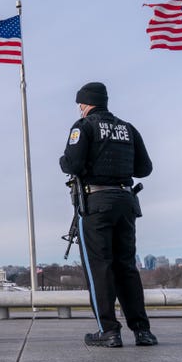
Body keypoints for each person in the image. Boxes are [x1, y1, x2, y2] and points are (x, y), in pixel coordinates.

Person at [59, 82, 158, 348]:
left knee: (99, 267)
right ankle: (142, 331)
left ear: (86, 103)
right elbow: (144, 168)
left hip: (96, 202)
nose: (79, 108)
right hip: (126, 201)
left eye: (80, 103)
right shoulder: (128, 128)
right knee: (126, 266)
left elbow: (72, 164)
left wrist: (63, 161)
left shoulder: (83, 127)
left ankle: (109, 331)